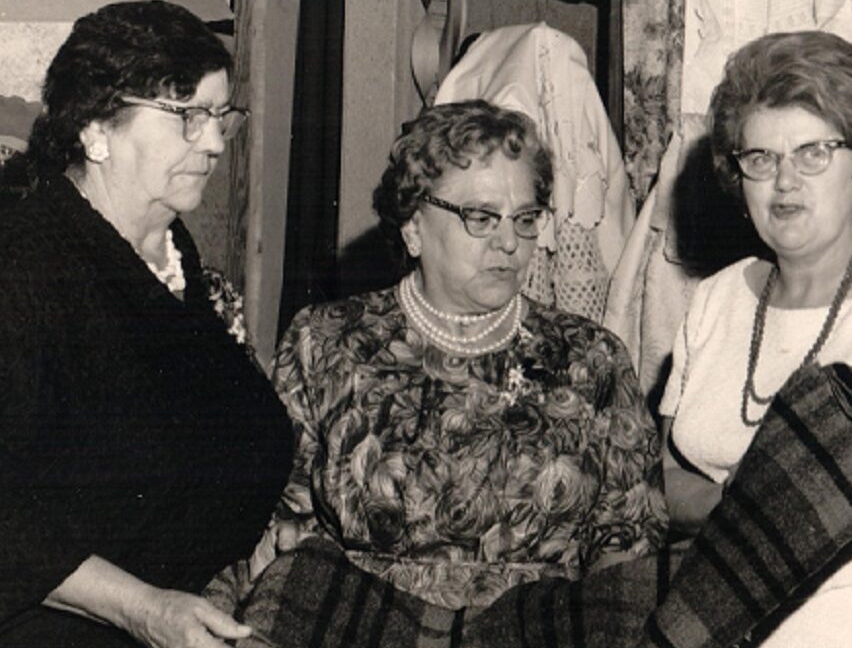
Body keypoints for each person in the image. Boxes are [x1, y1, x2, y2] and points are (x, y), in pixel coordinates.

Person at [227, 100, 666, 611]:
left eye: (525, 219)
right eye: (480, 217)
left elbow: (631, 546)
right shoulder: (326, 342)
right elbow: (273, 521)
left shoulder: (591, 358)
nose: (509, 242)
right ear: (414, 228)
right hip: (360, 632)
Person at [0, 1, 293, 648]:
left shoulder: (175, 258)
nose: (215, 142)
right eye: (187, 114)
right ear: (96, 128)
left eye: (221, 117)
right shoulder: (23, 268)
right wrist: (146, 611)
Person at [660, 31, 852, 648]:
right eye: (760, 158)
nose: (784, 181)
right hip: (719, 629)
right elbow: (666, 480)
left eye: (813, 153)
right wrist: (750, 502)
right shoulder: (714, 299)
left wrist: (831, 468)